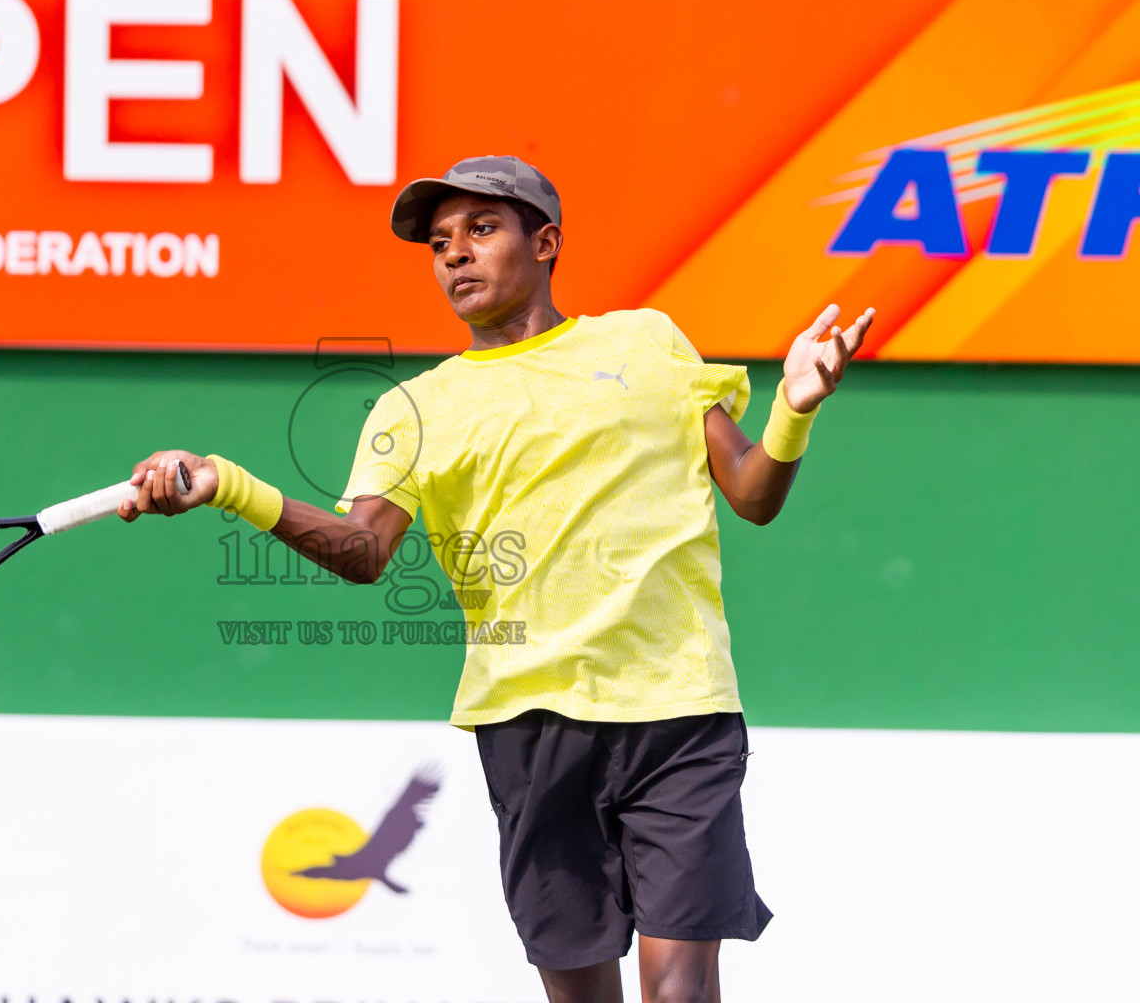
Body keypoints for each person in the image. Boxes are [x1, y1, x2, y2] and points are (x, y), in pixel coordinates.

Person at [117, 155, 872, 1003]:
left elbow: (752, 495)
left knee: (680, 992)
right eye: (441, 241)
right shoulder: (415, 409)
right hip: (527, 723)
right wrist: (230, 484)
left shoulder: (644, 343)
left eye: (482, 229)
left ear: (545, 242)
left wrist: (795, 408)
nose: (455, 254)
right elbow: (365, 552)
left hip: (677, 710)